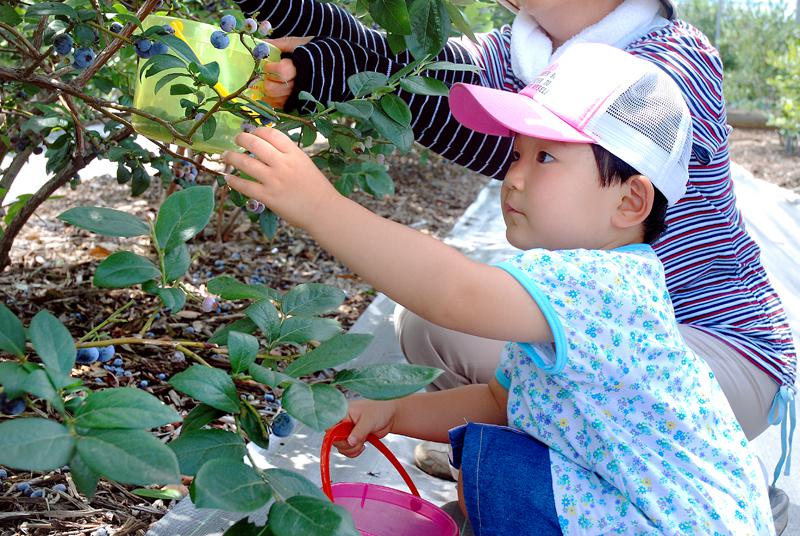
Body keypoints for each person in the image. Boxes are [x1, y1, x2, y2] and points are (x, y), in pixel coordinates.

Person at [234, 0, 796, 495]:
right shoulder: (526, 54)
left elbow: (455, 290)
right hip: (630, 371)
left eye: (542, 156)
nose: (514, 176)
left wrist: (318, 205)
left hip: (717, 347)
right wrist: (396, 412)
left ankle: (706, 480)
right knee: (471, 361)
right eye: (517, 154)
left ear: (632, 201)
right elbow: (419, 74)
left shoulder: (663, 76)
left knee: (492, 444)